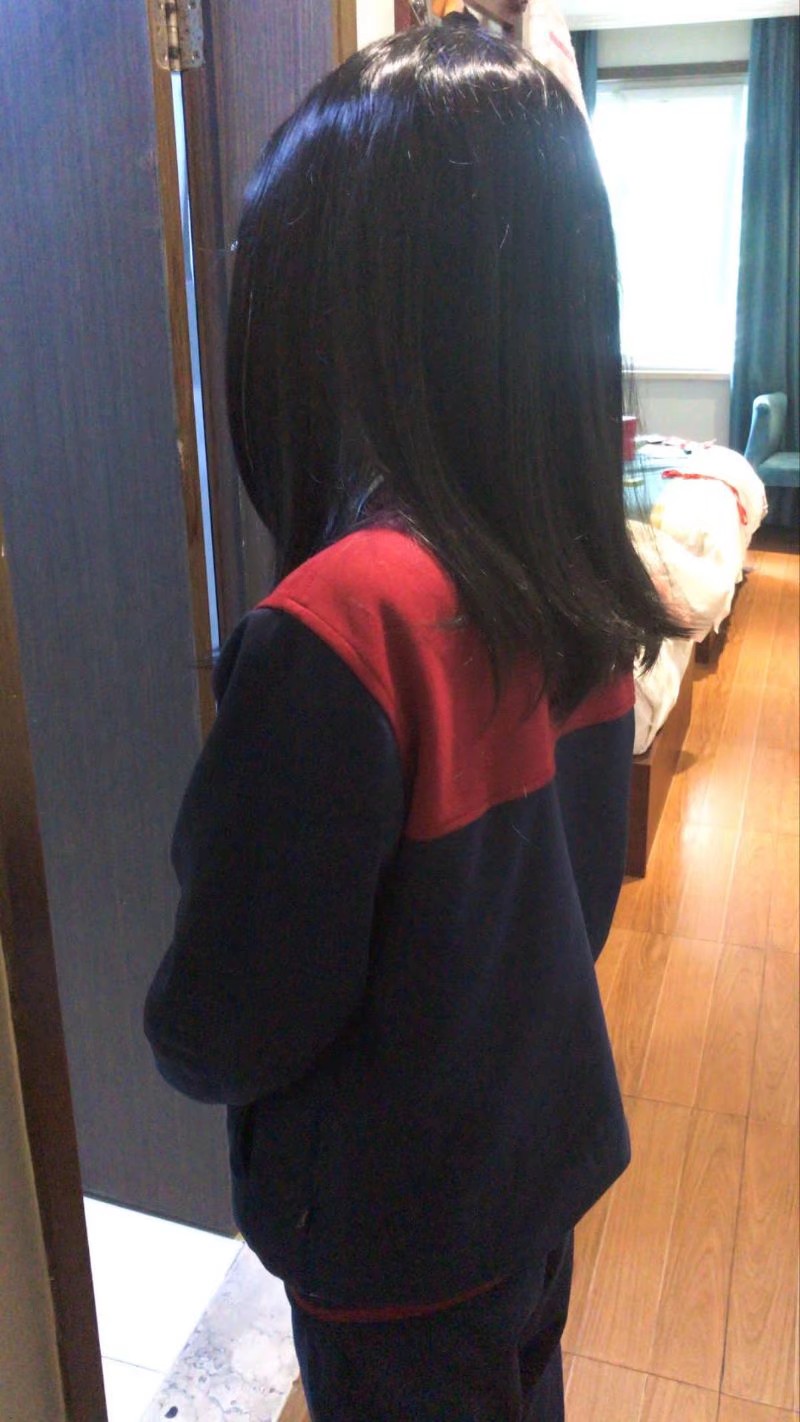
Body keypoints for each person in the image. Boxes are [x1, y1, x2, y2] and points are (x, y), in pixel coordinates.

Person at [144, 19, 684, 1422]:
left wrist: (174, 1026)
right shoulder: (571, 569)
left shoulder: (344, 625)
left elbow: (232, 1012)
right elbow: (571, 898)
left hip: (394, 1233)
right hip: (532, 1170)